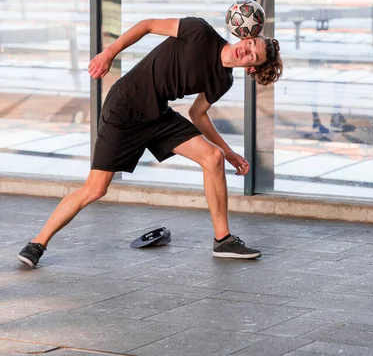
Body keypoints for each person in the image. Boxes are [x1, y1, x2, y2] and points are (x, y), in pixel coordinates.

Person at [17, 16, 283, 267]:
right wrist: (109, 53)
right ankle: (36, 244)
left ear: (251, 67)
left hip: (158, 114)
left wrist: (228, 153)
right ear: (244, 37)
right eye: (249, 43)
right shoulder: (199, 31)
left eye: (253, 55)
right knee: (96, 188)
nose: (245, 50)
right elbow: (147, 25)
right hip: (126, 106)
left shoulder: (223, 81)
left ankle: (223, 240)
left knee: (212, 158)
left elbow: (197, 114)